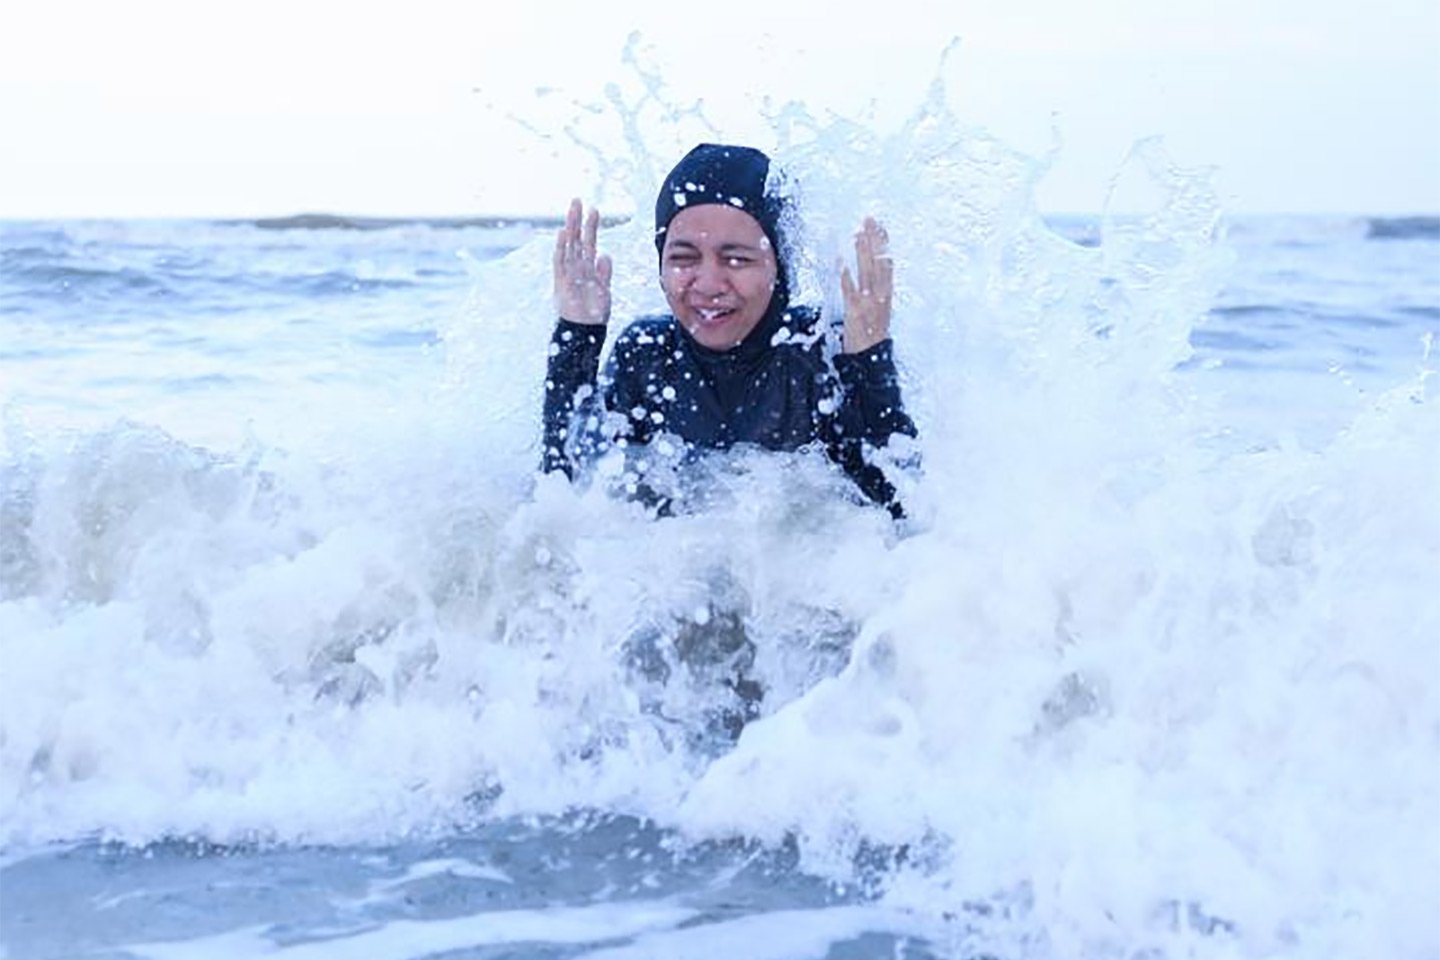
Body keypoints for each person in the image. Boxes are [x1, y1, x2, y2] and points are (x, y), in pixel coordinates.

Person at [542, 143, 916, 517]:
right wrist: (578, 336)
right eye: (683, 258)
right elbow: (568, 500)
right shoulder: (647, 355)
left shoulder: (820, 351)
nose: (708, 284)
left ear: (779, 265)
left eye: (737, 259)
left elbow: (899, 511)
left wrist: (869, 358)